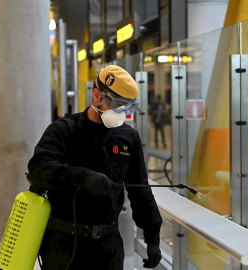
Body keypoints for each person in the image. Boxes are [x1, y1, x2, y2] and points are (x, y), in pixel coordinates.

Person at [27, 65, 163, 270]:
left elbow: (140, 190)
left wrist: (153, 239)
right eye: (117, 104)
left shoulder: (128, 138)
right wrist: (82, 177)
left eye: (128, 106)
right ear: (97, 94)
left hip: (108, 246)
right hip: (65, 245)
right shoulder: (64, 130)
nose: (122, 112)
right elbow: (38, 168)